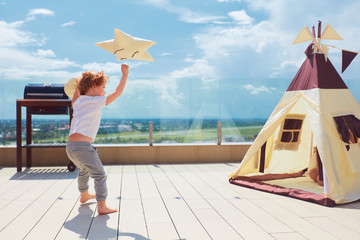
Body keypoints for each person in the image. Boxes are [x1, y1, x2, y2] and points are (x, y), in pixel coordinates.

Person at [66, 64, 129, 215]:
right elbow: (118, 92)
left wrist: (77, 84)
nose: (105, 91)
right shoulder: (96, 101)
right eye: (103, 87)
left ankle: (84, 195)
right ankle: (102, 205)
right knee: (99, 174)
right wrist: (125, 74)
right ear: (94, 87)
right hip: (83, 146)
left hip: (70, 147)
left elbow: (75, 95)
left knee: (83, 170)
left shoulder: (78, 102)